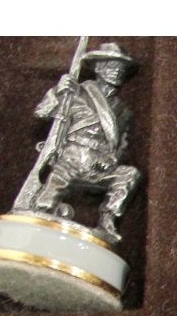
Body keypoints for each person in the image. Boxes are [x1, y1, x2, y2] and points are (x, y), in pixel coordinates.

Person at [22, 42, 141, 242]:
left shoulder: (124, 112)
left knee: (129, 174)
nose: (117, 72)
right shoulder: (76, 93)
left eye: (121, 69)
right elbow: (42, 112)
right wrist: (58, 91)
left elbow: (123, 145)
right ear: (98, 68)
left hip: (98, 167)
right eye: (112, 66)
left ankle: (107, 220)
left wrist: (112, 159)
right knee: (48, 195)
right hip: (70, 160)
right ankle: (37, 223)